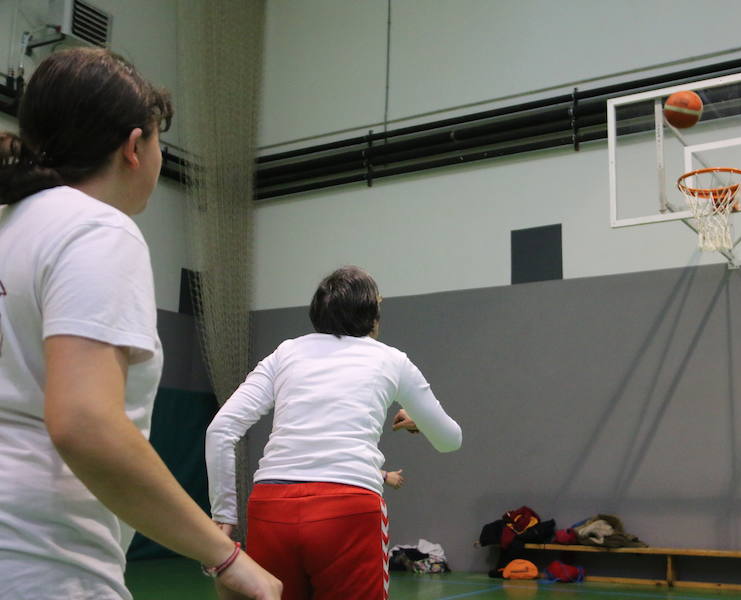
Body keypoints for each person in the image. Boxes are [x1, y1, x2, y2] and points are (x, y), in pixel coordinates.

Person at [0, 48, 280, 599]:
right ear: (135, 147)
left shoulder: (10, 228)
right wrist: (227, 557)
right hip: (44, 562)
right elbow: (85, 424)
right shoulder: (97, 229)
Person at [206, 265, 462, 600]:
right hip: (348, 510)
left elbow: (220, 429)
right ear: (371, 315)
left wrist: (223, 514)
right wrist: (417, 420)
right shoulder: (392, 360)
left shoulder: (285, 353)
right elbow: (449, 440)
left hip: (271, 510)